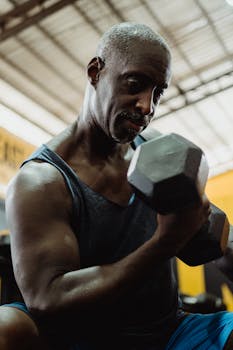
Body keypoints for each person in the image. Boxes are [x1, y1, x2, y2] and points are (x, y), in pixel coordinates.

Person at [1, 22, 233, 350]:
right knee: (5, 328)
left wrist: (206, 232)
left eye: (158, 92)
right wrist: (165, 244)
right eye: (135, 84)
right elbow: (48, 297)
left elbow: (209, 232)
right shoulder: (41, 181)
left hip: (167, 333)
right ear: (96, 71)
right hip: (77, 339)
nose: (147, 106)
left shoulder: (156, 151)